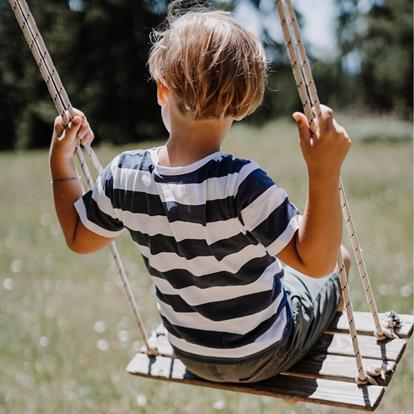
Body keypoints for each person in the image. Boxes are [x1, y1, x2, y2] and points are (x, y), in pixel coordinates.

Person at [49, 6, 351, 383]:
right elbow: (316, 261)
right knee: (339, 258)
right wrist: (324, 171)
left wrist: (60, 163)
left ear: (162, 89)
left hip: (189, 353)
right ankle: (316, 349)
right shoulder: (242, 183)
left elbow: (79, 237)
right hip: (264, 352)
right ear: (244, 102)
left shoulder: (124, 175)